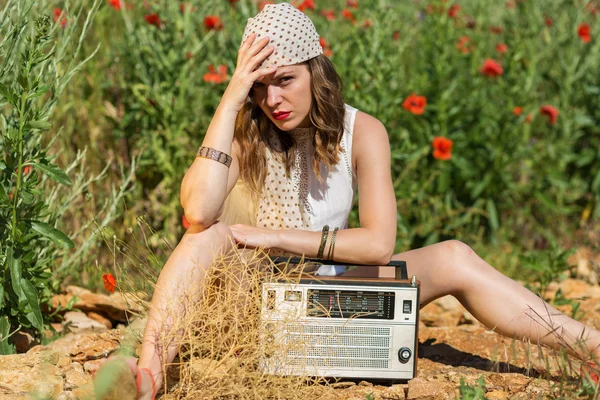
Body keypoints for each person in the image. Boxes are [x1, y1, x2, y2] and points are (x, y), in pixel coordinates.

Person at [97, 3, 600, 399]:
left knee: (454, 256)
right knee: (204, 236)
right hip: (251, 308)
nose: (273, 100)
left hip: (326, 298)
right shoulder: (245, 127)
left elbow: (380, 244)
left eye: (286, 80)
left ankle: (590, 347)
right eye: (261, 86)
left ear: (316, 73)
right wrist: (231, 98)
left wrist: (271, 237)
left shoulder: (364, 132)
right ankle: (149, 373)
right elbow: (198, 212)